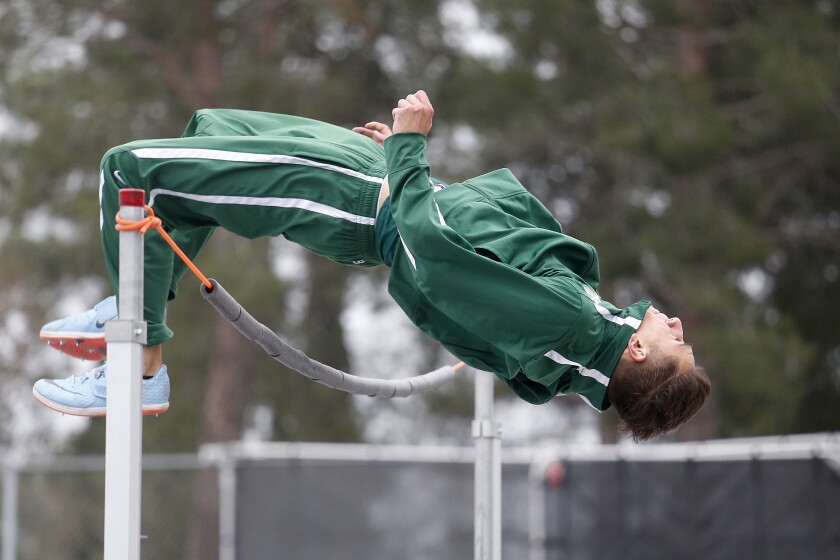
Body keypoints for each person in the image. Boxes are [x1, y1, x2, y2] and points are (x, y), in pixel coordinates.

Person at [33, 91, 710, 440]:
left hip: (352, 200)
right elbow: (471, 240)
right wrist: (403, 160)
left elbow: (438, 268)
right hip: (379, 184)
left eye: (676, 341)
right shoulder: (583, 321)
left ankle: (140, 360)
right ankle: (133, 306)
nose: (678, 323)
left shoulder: (566, 323)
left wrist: (409, 157)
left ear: (643, 354)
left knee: (132, 170)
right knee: (212, 128)